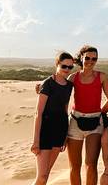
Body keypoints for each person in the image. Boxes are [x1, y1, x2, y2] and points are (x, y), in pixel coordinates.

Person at [68, 45, 108, 185]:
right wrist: (42, 88)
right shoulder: (73, 77)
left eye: (94, 58)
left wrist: (102, 112)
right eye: (87, 58)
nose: (90, 61)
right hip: (75, 122)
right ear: (81, 58)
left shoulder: (101, 77)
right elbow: (60, 91)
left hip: (95, 123)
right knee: (74, 166)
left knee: (91, 164)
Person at [31, 51, 75, 185]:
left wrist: (65, 136)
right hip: (45, 131)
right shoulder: (48, 83)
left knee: (46, 174)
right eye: (64, 66)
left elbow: (65, 111)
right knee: (42, 176)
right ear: (57, 65)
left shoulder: (69, 86)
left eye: (70, 67)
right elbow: (38, 112)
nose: (67, 70)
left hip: (59, 131)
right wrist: (35, 141)